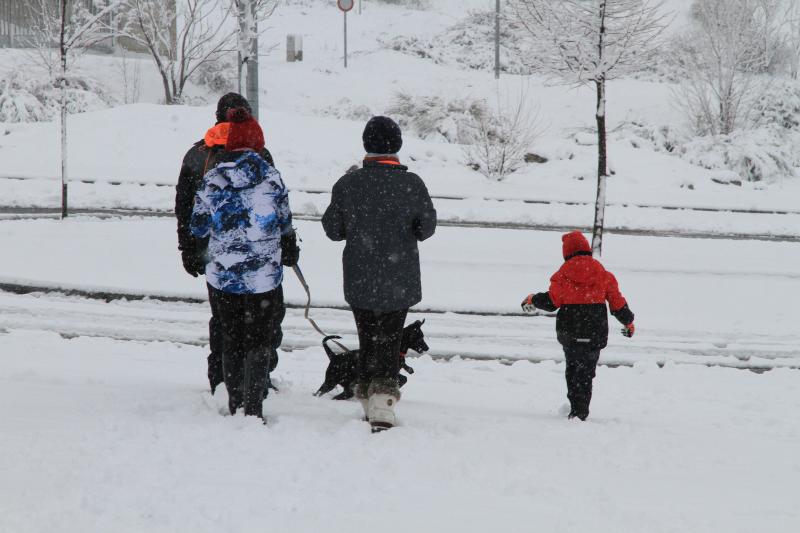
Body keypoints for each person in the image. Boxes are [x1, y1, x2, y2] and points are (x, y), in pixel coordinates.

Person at [322, 116, 437, 432]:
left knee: (368, 338)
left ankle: (367, 393)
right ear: (397, 146)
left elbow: (333, 230)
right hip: (399, 279)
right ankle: (383, 401)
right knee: (389, 339)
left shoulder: (349, 184)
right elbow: (426, 228)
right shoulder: (412, 184)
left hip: (360, 277)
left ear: (365, 144)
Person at [175, 93, 296, 393]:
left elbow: (185, 208)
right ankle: (259, 380)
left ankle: (222, 381)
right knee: (262, 326)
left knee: (224, 324)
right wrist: (287, 246)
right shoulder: (260, 156)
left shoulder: (197, 155)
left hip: (218, 256)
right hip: (261, 262)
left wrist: (188, 249)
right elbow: (276, 213)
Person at [521, 231, 635, 421]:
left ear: (567, 252)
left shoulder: (562, 275)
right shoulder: (603, 274)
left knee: (573, 369)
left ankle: (576, 408)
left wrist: (534, 299)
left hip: (570, 330)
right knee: (587, 372)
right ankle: (582, 409)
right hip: (595, 330)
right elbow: (617, 303)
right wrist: (628, 321)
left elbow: (552, 302)